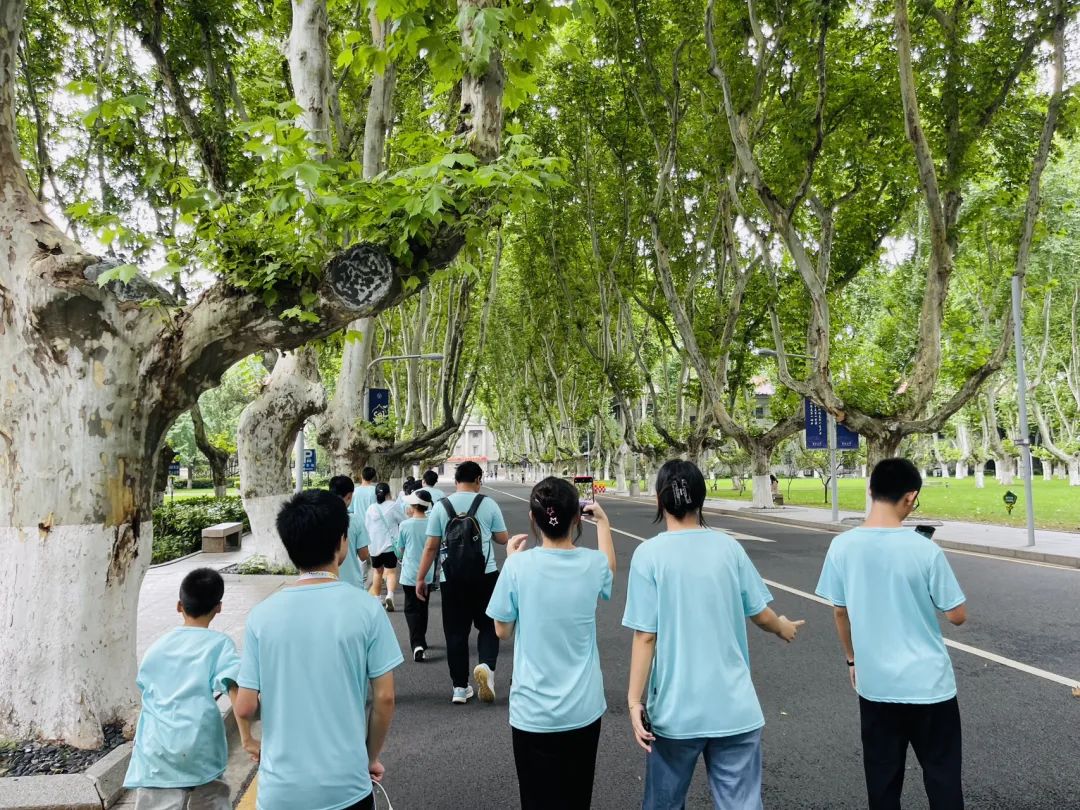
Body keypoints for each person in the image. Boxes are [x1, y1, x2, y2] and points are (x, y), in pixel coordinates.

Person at [623, 459, 804, 810]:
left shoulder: (648, 555)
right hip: (735, 709)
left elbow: (646, 636)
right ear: (702, 499)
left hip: (675, 713)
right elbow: (761, 614)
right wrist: (782, 627)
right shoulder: (728, 548)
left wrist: (634, 701)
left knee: (664, 803)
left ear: (659, 501)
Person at [235, 490, 402, 810]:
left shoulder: (261, 617)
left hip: (279, 792)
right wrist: (369, 758)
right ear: (342, 541)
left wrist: (250, 738)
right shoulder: (367, 609)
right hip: (346, 785)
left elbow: (244, 707)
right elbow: (384, 698)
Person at [815, 458, 967, 810]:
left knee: (882, 782)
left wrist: (852, 660)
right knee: (942, 777)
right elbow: (957, 615)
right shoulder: (925, 549)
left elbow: (840, 611)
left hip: (877, 684)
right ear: (910, 497)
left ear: (871, 490)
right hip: (930, 685)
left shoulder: (842, 546)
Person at [487, 477, 616, 810]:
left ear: (533, 518)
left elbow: (502, 630)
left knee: (536, 799)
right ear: (576, 518)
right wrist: (603, 524)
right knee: (576, 798)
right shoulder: (593, 564)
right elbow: (609, 571)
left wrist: (511, 562)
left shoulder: (517, 566)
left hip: (532, 710)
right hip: (583, 708)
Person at [123, 568, 259, 810]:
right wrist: (247, 739)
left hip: (156, 752)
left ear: (179, 606)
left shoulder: (156, 648)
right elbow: (234, 689)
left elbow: (146, 690)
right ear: (218, 607)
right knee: (211, 801)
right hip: (200, 748)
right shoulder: (219, 644)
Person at [416, 460, 509, 704]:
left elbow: (431, 546)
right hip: (486, 575)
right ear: (478, 480)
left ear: (456, 481)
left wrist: (421, 577)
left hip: (452, 578)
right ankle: (486, 667)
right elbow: (502, 538)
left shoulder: (441, 507)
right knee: (488, 626)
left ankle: (459, 687)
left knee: (455, 632)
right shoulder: (488, 504)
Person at [395, 489, 436, 661]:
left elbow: (400, 550)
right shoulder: (433, 524)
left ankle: (417, 644)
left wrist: (398, 552)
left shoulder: (405, 525)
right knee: (423, 607)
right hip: (428, 573)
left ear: (413, 505)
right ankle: (421, 640)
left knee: (411, 609)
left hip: (410, 574)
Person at [328, 475, 370, 590]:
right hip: (351, 583)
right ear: (349, 496)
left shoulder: (318, 518)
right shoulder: (355, 520)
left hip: (326, 583)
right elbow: (364, 555)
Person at [366, 482, 403, 611]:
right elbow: (403, 521)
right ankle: (390, 596)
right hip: (389, 546)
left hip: (374, 546)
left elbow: (367, 527)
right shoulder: (393, 505)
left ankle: (377, 598)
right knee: (391, 572)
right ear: (388, 493)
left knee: (377, 572)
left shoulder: (371, 508)